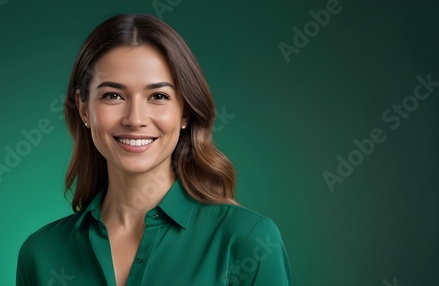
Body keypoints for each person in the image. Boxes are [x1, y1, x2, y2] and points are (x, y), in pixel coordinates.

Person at [16, 14, 291, 286]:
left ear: (185, 111)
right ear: (84, 107)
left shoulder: (246, 240)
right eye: (113, 95)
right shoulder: (41, 253)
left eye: (158, 96)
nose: (135, 119)